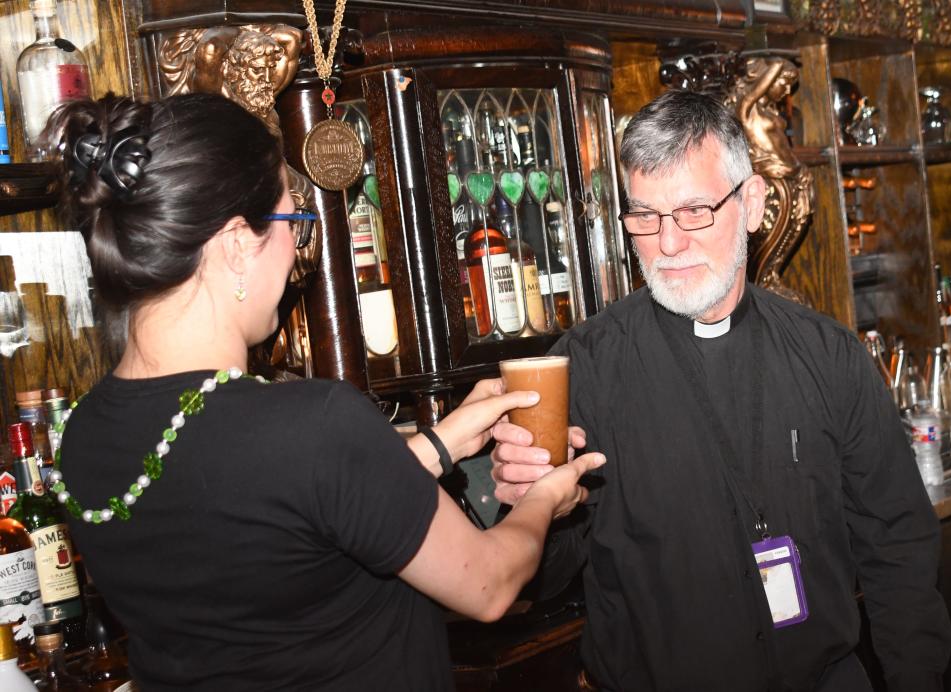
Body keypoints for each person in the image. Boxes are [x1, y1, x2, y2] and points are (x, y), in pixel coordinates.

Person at [43, 92, 604, 691]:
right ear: (237, 243)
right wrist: (545, 497)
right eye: (292, 223)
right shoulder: (313, 425)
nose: (295, 253)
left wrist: (436, 446)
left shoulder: (80, 434)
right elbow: (488, 586)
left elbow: (271, 521)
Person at [492, 90, 951, 692]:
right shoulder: (583, 369)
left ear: (753, 201)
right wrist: (533, 504)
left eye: (693, 211)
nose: (669, 244)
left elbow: (899, 551)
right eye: (645, 217)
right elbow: (539, 581)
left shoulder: (829, 356)